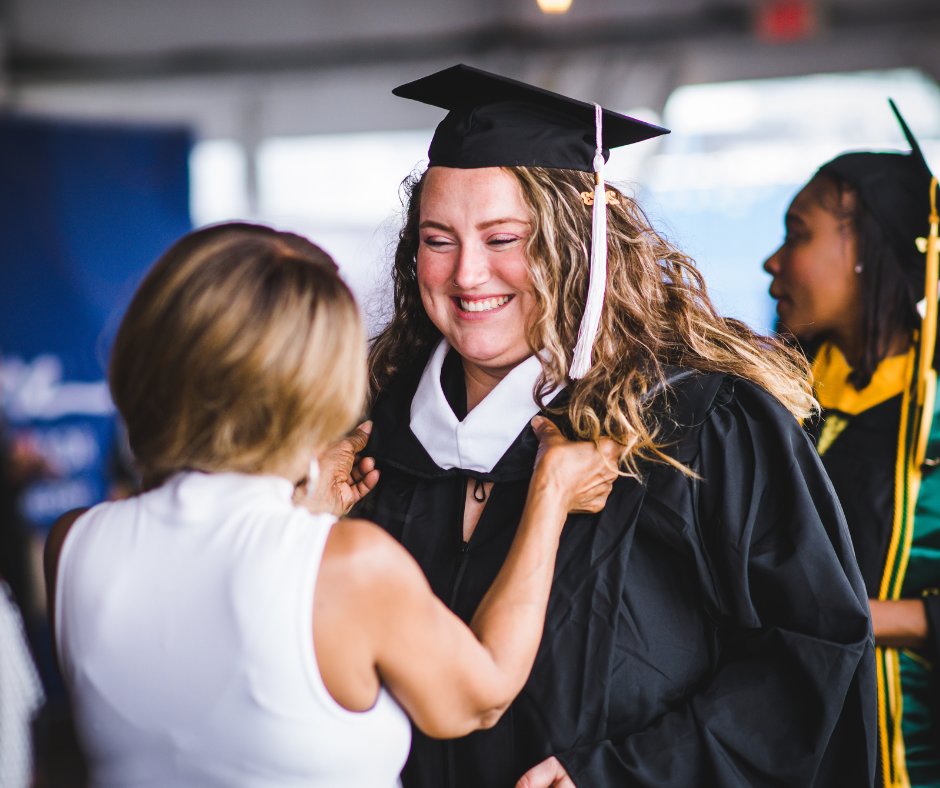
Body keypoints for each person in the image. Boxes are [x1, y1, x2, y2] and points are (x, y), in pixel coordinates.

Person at [351, 63, 878, 787]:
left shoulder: (697, 421)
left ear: (580, 245)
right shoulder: (375, 438)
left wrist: (630, 776)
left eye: (505, 239)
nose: (468, 274)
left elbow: (810, 649)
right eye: (439, 240)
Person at [41, 222, 621, 788]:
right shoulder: (351, 566)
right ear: (319, 384)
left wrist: (301, 518)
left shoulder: (73, 543)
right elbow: (482, 698)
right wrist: (550, 493)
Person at [764, 100, 940, 788]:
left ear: (868, 251)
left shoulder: (929, 408)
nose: (773, 260)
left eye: (798, 234)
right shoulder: (781, 397)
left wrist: (855, 617)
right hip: (802, 750)